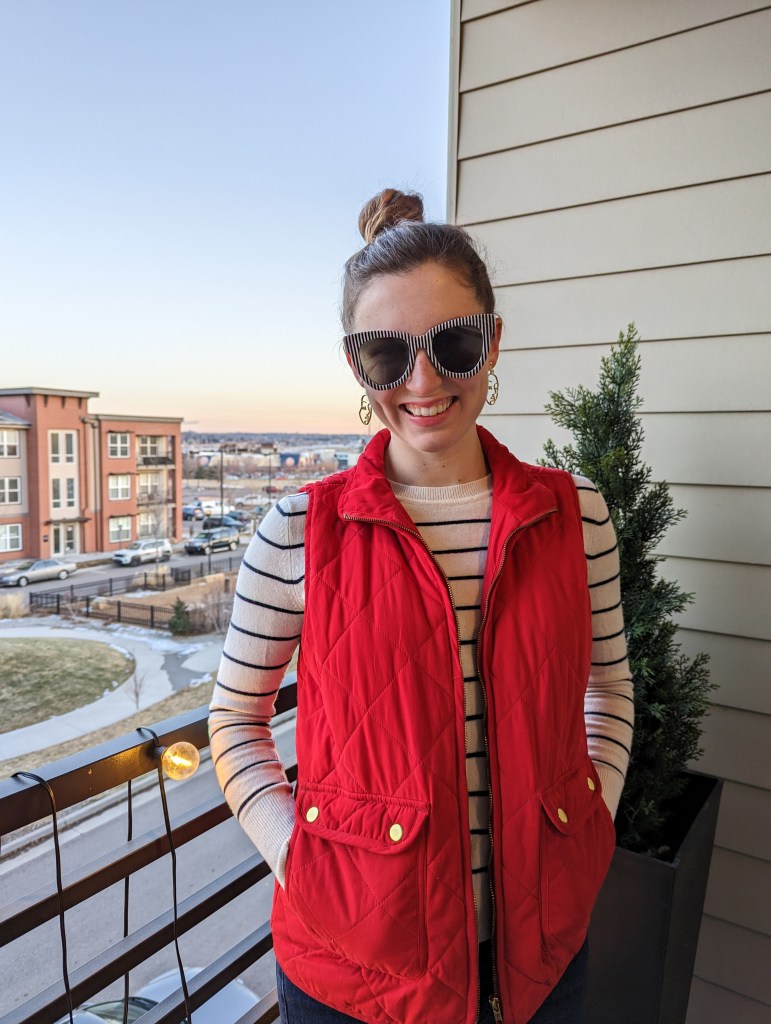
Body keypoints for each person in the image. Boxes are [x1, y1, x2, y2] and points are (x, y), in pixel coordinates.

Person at [209, 189, 633, 1024]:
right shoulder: (297, 529)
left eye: (455, 343)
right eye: (386, 356)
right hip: (350, 977)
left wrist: (586, 828)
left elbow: (609, 690)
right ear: (355, 367)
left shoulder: (575, 514)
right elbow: (234, 721)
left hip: (542, 961)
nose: (424, 380)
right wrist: (305, 866)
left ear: (493, 341)